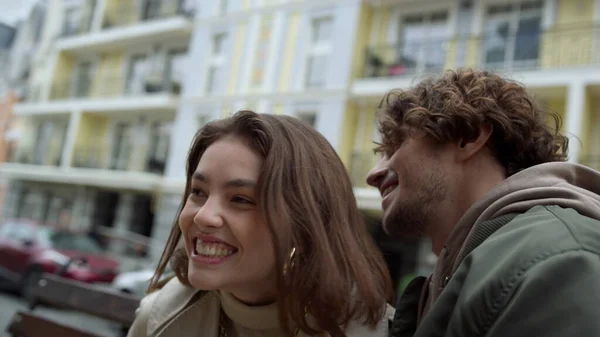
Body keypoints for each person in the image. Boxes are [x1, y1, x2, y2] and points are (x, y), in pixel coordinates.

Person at [367, 69, 600, 337]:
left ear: (468, 136)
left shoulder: (557, 261)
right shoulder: (495, 263)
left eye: (393, 146)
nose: (372, 175)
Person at [127, 110, 394, 337]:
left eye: (241, 199)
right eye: (198, 192)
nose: (203, 216)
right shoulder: (157, 321)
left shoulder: (375, 332)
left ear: (304, 227)